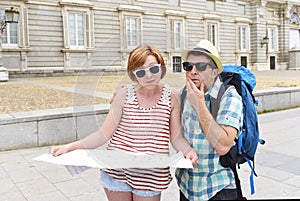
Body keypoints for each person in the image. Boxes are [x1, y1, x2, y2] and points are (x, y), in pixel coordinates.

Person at [50, 44, 198, 201]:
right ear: (134, 75)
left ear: (161, 69)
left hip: (151, 174)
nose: (149, 75)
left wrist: (188, 151)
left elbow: (176, 138)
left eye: (153, 69)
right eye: (141, 72)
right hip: (117, 171)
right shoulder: (122, 95)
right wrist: (70, 147)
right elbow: (102, 134)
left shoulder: (172, 97)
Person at [175, 40, 243, 200]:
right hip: (186, 187)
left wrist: (199, 105)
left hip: (218, 188)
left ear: (214, 72)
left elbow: (223, 146)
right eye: (188, 66)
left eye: (200, 66)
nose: (193, 71)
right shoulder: (183, 93)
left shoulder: (229, 96)